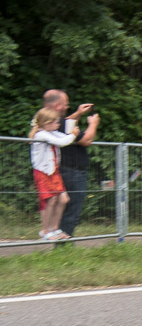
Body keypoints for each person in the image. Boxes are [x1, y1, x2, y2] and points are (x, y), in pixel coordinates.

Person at [42, 90, 98, 239]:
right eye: (65, 105)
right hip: (73, 171)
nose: (67, 108)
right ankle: (64, 246)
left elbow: (65, 123)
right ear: (57, 105)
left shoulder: (47, 122)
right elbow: (86, 140)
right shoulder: (56, 123)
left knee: (65, 206)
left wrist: (78, 113)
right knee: (71, 210)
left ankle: (61, 242)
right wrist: (93, 124)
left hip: (64, 170)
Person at [29, 107, 77, 240]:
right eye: (56, 122)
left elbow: (64, 137)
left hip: (53, 171)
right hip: (43, 172)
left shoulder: (51, 132)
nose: (58, 124)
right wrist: (73, 135)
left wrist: (72, 134)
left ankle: (54, 228)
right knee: (50, 200)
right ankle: (45, 231)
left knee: (63, 199)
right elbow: (62, 142)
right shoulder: (41, 134)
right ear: (46, 123)